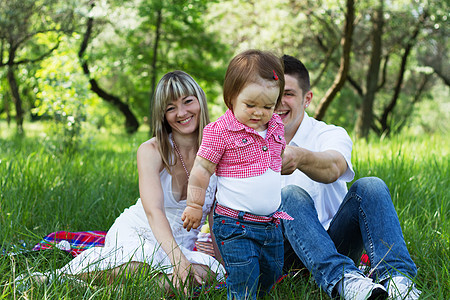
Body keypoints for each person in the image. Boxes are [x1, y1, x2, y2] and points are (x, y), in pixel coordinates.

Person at [14, 71, 225, 294]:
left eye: (188, 102)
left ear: (200, 100)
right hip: (141, 231)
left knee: (206, 273)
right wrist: (178, 260)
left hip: (182, 244)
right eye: (170, 108)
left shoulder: (222, 151)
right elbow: (153, 211)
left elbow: (216, 218)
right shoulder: (152, 150)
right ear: (162, 114)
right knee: (142, 267)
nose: (181, 113)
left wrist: (225, 266)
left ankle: (105, 290)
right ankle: (56, 278)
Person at [276, 55, 421, 300]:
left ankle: (397, 280)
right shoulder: (249, 142)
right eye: (274, 94)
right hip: (289, 257)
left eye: (288, 93)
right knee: (289, 196)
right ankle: (342, 278)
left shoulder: (330, 133)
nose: (280, 102)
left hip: (338, 243)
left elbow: (334, 166)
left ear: (307, 98)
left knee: (371, 185)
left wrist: (299, 157)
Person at [181, 49, 292, 300]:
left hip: (271, 224)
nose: (259, 112)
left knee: (271, 274)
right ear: (231, 98)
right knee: (243, 279)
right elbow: (201, 169)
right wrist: (195, 205)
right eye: (250, 104)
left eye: (268, 106)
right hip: (235, 224)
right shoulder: (220, 131)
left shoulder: (275, 126)